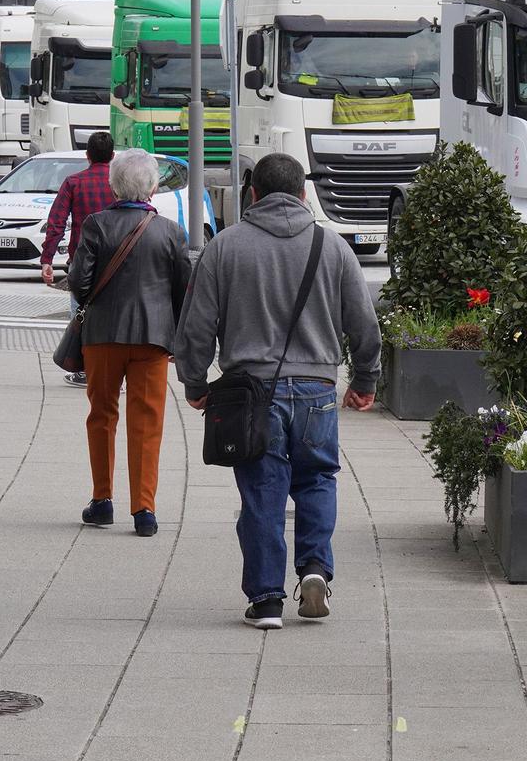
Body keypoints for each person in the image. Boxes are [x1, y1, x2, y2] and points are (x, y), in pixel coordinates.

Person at [174, 153, 381, 630]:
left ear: (252, 194)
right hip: (318, 391)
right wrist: (365, 380)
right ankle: (314, 570)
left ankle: (267, 599)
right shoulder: (334, 249)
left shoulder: (224, 248)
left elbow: (197, 326)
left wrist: (195, 381)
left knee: (263, 491)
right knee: (317, 480)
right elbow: (365, 326)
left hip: (252, 393)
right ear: (303, 195)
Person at [67, 149, 191, 538]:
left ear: (113, 185)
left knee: (101, 415)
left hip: (102, 335)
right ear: (153, 187)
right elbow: (183, 289)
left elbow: (78, 281)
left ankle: (102, 500)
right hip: (153, 339)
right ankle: (144, 509)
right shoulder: (170, 231)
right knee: (147, 420)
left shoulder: (96, 225)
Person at [40, 131, 114, 385]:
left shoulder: (74, 182)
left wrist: (47, 259)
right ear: (113, 156)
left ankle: (84, 369)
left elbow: (56, 222)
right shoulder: (120, 183)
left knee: (80, 314)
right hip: (117, 262)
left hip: (82, 262)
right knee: (115, 312)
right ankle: (112, 370)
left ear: (87, 156)